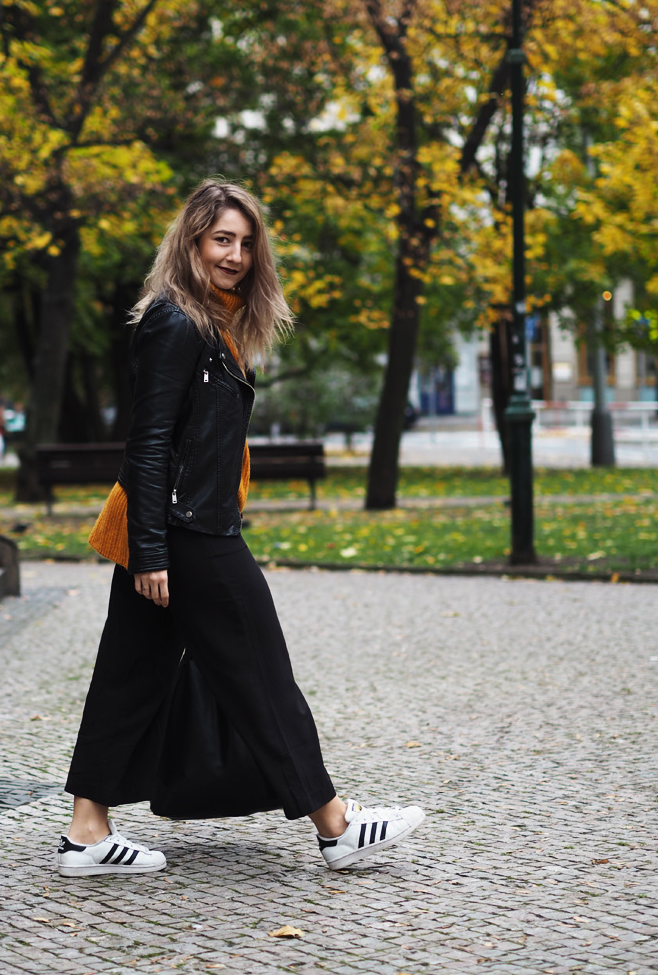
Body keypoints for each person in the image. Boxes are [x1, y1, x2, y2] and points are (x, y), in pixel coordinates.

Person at [58, 179, 424, 876]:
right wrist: (151, 552)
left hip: (177, 527)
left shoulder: (211, 323)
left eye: (246, 243)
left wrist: (150, 544)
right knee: (261, 670)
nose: (234, 255)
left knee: (128, 675)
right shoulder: (177, 322)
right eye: (221, 239)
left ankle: (86, 833)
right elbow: (149, 443)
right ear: (191, 242)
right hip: (188, 533)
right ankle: (336, 825)